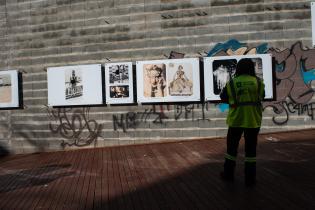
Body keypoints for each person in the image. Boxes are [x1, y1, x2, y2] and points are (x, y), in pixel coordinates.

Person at [219, 58, 265, 187]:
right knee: (251, 151)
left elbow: (223, 97)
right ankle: (250, 179)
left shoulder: (232, 83)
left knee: (231, 150)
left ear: (238, 68)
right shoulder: (258, 82)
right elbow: (262, 96)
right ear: (252, 68)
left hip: (236, 120)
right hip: (253, 120)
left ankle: (228, 174)